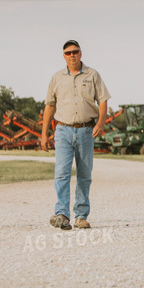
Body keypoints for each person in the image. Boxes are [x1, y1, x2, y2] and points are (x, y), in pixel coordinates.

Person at [41, 40, 110, 231]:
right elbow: (50, 105)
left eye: (75, 52)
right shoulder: (56, 78)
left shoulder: (92, 75)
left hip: (86, 130)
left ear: (81, 53)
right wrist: (44, 134)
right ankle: (62, 213)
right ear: (64, 56)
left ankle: (81, 215)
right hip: (63, 129)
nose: (72, 55)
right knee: (62, 173)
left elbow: (103, 101)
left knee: (84, 175)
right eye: (68, 53)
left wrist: (100, 123)